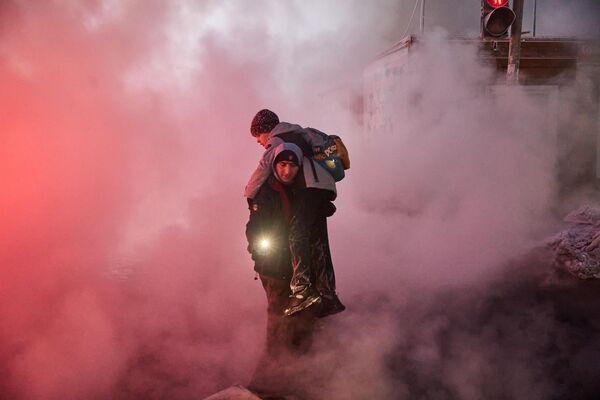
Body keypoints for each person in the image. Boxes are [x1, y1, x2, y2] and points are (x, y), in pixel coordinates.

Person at [246, 109, 345, 317]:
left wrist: (249, 193)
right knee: (318, 241)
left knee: (296, 234)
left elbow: (264, 167)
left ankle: (302, 291)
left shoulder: (279, 140)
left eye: (258, 136)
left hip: (311, 186)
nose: (259, 142)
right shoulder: (298, 133)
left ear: (266, 130)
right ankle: (328, 295)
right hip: (324, 185)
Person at [245, 143, 317, 397]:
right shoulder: (265, 194)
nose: (286, 171)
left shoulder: (300, 191)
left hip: (295, 266)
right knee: (277, 318)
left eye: (292, 166)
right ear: (274, 166)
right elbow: (253, 229)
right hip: (273, 268)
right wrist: (258, 251)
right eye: (282, 165)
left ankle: (295, 366)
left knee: (295, 314)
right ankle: (268, 379)